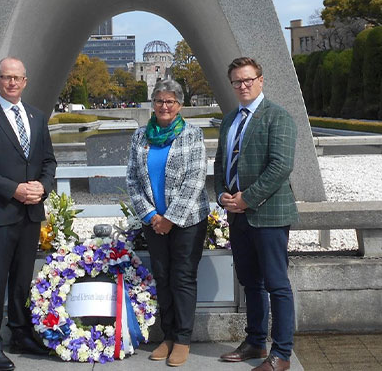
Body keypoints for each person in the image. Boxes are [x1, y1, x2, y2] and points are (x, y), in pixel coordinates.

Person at [0, 57, 57, 371]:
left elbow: (49, 162)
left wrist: (42, 188)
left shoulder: (37, 116)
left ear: (25, 81)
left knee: (21, 281)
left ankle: (21, 334)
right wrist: (13, 189)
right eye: (6, 77)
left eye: (17, 77)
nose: (12, 83)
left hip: (30, 214)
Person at [214, 57, 298, 371]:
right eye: (237, 81)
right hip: (237, 215)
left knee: (276, 283)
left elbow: (280, 167)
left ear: (260, 80)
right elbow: (220, 163)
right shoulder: (229, 120)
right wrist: (222, 194)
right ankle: (254, 341)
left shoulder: (278, 117)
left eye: (248, 79)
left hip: (269, 214)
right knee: (250, 282)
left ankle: (282, 353)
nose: (243, 86)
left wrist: (247, 199)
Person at [126, 80, 209, 367]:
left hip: (187, 221)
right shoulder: (139, 137)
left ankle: (183, 339)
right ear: (153, 103)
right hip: (154, 222)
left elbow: (196, 180)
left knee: (182, 278)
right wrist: (151, 216)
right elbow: (132, 180)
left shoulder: (192, 134)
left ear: (179, 106)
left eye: (170, 101)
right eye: (159, 100)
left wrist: (171, 218)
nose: (164, 106)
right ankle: (169, 335)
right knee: (162, 277)